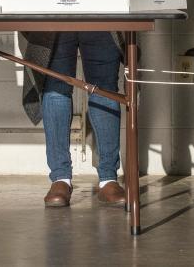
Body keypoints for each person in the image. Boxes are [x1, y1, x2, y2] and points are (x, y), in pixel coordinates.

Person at [20, 32, 127, 207]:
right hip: (54, 13)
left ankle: (108, 179)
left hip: (101, 11)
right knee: (55, 88)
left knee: (105, 88)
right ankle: (60, 178)